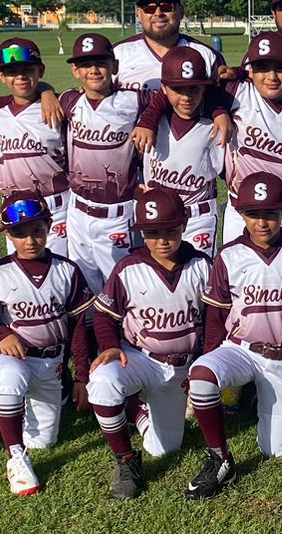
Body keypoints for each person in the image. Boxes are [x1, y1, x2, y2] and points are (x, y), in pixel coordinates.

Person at [184, 173, 282, 499]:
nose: (262, 222)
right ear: (241, 213)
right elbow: (216, 317)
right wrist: (207, 357)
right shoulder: (229, 255)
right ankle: (220, 457)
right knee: (202, 375)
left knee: (276, 449)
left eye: (270, 213)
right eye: (254, 214)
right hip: (241, 349)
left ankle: (258, 398)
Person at [87, 187, 212, 500]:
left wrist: (207, 359)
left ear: (184, 225)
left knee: (166, 448)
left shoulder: (201, 265)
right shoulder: (129, 267)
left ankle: (137, 410)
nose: (162, 240)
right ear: (141, 233)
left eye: (170, 230)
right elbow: (104, 317)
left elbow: (214, 318)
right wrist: (108, 346)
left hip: (184, 366)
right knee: (102, 382)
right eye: (152, 233)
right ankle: (126, 461)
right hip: (141, 358)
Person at [0, 192, 96, 496]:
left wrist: (81, 377)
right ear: (8, 234)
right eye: (19, 233)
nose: (29, 240)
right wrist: (2, 333)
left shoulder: (67, 270)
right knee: (11, 376)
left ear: (49, 226)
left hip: (52, 363)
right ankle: (15, 456)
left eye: (36, 230)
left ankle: (0, 405)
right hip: (13, 358)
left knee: (45, 440)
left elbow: (79, 329)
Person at [61, 32, 147, 295]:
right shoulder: (68, 100)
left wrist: (148, 120)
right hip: (77, 213)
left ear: (115, 67)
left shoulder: (134, 100)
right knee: (84, 287)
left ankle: (122, 337)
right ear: (76, 71)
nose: (94, 70)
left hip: (118, 214)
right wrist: (43, 94)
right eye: (86, 65)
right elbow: (32, 95)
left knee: (122, 288)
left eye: (101, 63)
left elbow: (171, 97)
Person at [219, 30, 282, 243]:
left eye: (280, 68)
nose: (272, 77)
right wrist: (218, 111)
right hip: (243, 212)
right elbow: (188, 89)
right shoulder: (235, 93)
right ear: (250, 71)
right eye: (262, 68)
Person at [137, 47, 227, 255]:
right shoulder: (149, 121)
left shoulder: (214, 128)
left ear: (205, 89)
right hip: (157, 216)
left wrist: (220, 110)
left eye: (194, 89)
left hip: (198, 218)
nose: (186, 97)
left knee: (200, 278)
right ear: (164, 89)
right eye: (179, 90)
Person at [0, 38, 71, 256]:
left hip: (55, 206)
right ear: (1, 76)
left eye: (28, 69)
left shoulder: (58, 107)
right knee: (21, 274)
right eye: (11, 72)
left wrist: (47, 91)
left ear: (40, 71)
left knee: (60, 271)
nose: (20, 77)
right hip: (15, 207)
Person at [113, 0, 221, 89]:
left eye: (167, 7)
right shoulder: (118, 54)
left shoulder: (206, 55)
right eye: (149, 8)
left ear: (181, 11)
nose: (158, 13)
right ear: (138, 13)